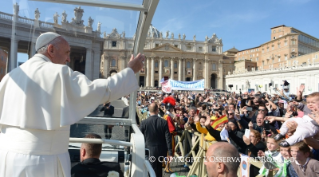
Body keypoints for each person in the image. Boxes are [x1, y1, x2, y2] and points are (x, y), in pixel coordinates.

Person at [0, 32, 144, 177]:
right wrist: (130, 70)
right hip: (42, 163)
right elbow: (101, 90)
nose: (69, 59)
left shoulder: (10, 77)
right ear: (51, 50)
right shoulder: (58, 72)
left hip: (6, 159)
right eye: (67, 53)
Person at [139, 103, 172, 177]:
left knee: (151, 169)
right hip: (161, 150)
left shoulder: (144, 122)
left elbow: (140, 137)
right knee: (159, 169)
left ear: (149, 110)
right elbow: (168, 138)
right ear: (157, 110)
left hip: (149, 149)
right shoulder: (163, 122)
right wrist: (170, 153)